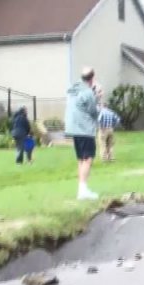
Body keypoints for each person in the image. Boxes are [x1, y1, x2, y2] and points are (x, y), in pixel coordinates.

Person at [65, 67, 100, 200]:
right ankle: (83, 190)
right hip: (84, 129)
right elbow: (93, 112)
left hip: (73, 128)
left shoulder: (73, 90)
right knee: (88, 158)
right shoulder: (88, 92)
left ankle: (81, 189)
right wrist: (97, 97)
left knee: (81, 159)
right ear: (92, 78)